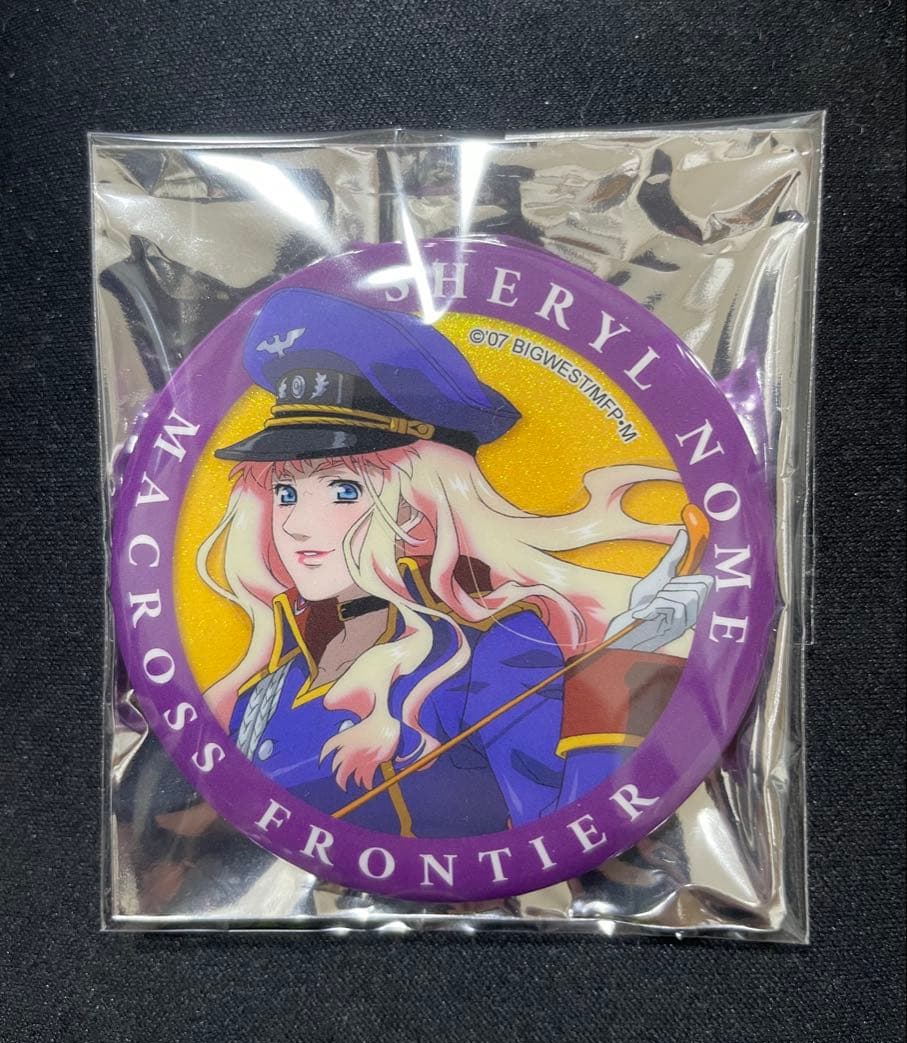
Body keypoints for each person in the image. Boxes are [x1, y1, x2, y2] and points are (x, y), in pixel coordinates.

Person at [197, 287, 712, 839]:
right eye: (285, 493)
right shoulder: (270, 689)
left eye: (344, 490)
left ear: (419, 503)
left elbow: (566, 828)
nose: (296, 525)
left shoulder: (494, 651)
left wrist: (630, 669)